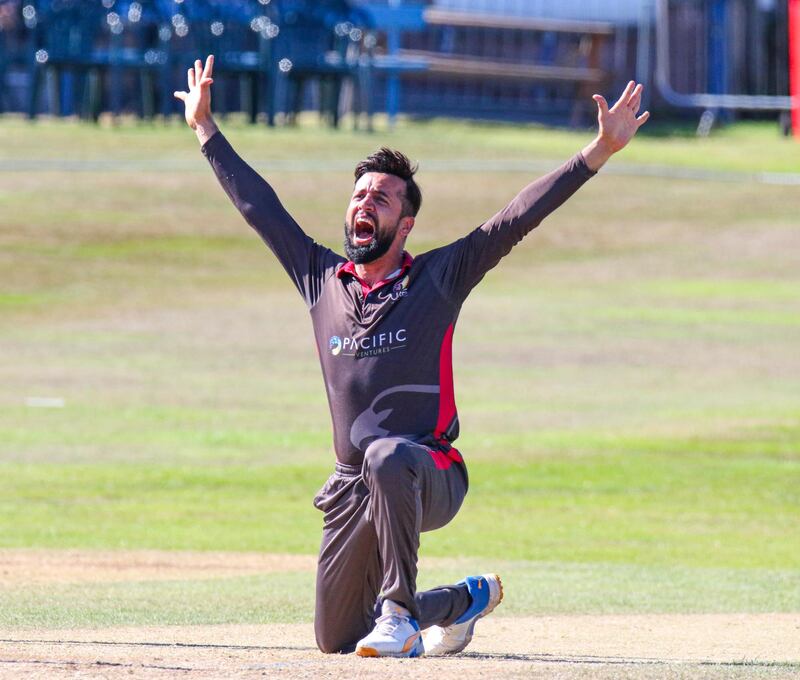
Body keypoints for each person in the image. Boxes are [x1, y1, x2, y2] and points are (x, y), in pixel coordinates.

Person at [174, 55, 649, 658]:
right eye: (359, 194)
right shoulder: (323, 280)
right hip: (355, 490)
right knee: (336, 639)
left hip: (430, 472)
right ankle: (457, 602)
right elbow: (259, 208)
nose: (365, 204)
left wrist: (597, 153)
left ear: (406, 221)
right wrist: (205, 131)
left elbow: (515, 218)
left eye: (382, 197)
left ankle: (398, 612)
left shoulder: (438, 278)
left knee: (387, 453)